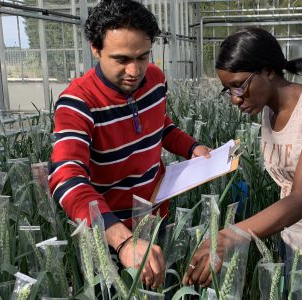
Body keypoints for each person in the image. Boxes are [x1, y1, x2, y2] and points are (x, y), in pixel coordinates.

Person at [183, 27, 302, 298]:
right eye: (227, 90)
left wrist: (231, 236)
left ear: (268, 71)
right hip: (296, 244)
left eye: (239, 85)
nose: (235, 98)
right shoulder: (268, 109)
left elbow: (301, 200)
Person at [49, 0, 210, 289]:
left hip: (156, 217)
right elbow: (66, 178)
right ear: (95, 49)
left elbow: (160, 125)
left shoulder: (156, 80)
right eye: (121, 59)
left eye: (143, 56)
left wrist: (192, 148)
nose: (135, 71)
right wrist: (122, 241)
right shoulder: (78, 103)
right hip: (109, 234)